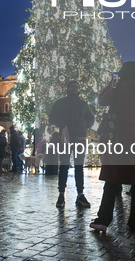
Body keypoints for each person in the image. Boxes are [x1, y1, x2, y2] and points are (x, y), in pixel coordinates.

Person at [89, 61, 135, 233]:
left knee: (112, 180)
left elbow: (101, 100)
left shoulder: (118, 90)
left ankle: (104, 219)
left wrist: (112, 82)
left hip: (118, 138)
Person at [49, 80, 95, 208]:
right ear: (68, 88)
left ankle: (80, 194)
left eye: (76, 87)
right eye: (72, 86)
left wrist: (86, 124)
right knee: (64, 166)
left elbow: (91, 118)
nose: (75, 88)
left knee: (79, 166)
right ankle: (61, 194)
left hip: (80, 137)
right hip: (66, 137)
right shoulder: (61, 103)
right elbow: (51, 117)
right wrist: (63, 124)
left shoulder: (83, 104)